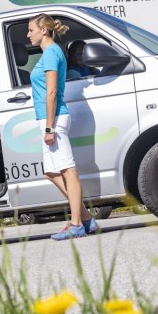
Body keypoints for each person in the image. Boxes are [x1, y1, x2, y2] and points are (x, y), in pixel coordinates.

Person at [26, 14, 98, 240]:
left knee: (68, 170)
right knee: (51, 171)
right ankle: (85, 218)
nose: (28, 35)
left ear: (44, 31)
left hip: (54, 119)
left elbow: (51, 92)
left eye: (31, 30)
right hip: (48, 119)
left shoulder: (51, 53)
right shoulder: (50, 53)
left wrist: (49, 127)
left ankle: (76, 224)